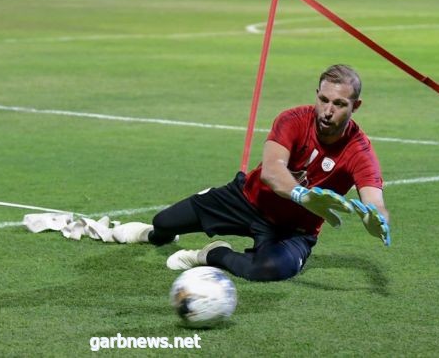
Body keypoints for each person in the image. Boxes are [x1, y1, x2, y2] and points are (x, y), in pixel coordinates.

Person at [112, 64, 391, 282]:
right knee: (164, 221)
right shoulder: (293, 119)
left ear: (356, 106)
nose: (327, 111)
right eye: (323, 99)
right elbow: (271, 171)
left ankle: (211, 254)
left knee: (270, 270)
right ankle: (153, 235)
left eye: (339, 104)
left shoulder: (360, 151)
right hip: (246, 200)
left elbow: (375, 201)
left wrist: (376, 219)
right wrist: (302, 195)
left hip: (292, 232)